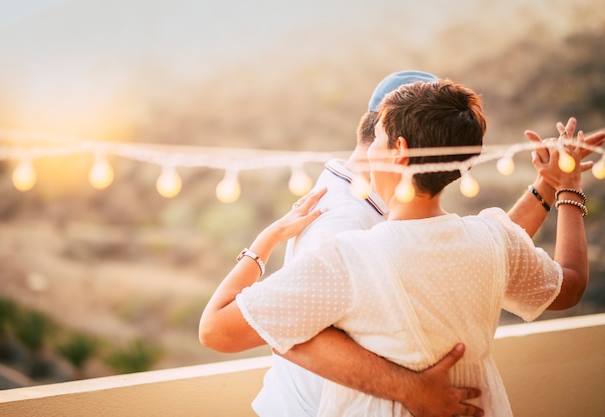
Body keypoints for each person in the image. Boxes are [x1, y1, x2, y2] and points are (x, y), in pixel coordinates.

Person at [199, 78, 601, 415]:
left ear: (401, 150)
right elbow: (571, 286)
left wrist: (262, 243)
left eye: (376, 137)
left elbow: (217, 330)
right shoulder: (493, 239)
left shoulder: (351, 258)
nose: (369, 150)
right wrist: (567, 186)